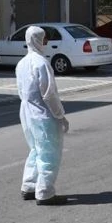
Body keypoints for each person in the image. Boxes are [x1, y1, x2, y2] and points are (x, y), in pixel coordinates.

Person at [16, 26, 70, 206]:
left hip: (27, 115)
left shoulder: (22, 63)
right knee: (48, 154)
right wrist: (60, 115)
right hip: (43, 115)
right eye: (44, 38)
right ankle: (45, 192)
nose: (46, 42)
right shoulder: (41, 63)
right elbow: (49, 94)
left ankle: (29, 186)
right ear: (39, 40)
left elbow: (21, 92)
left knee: (35, 151)